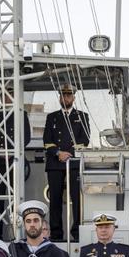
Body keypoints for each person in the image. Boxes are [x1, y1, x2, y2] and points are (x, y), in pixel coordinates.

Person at [43, 83, 90, 241]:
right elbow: (47, 141)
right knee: (55, 199)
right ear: (59, 97)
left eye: (69, 95)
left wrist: (69, 153)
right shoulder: (52, 117)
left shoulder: (82, 116)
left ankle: (76, 233)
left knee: (76, 199)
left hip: (74, 163)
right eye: (63, 95)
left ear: (73, 98)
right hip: (55, 164)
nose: (66, 98)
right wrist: (58, 153)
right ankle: (56, 234)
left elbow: (85, 140)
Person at [0, 93, 32, 240]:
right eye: (4, 95)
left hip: (15, 161)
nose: (7, 98)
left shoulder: (21, 114)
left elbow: (26, 137)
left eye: (10, 94)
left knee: (17, 199)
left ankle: (17, 234)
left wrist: (12, 150)